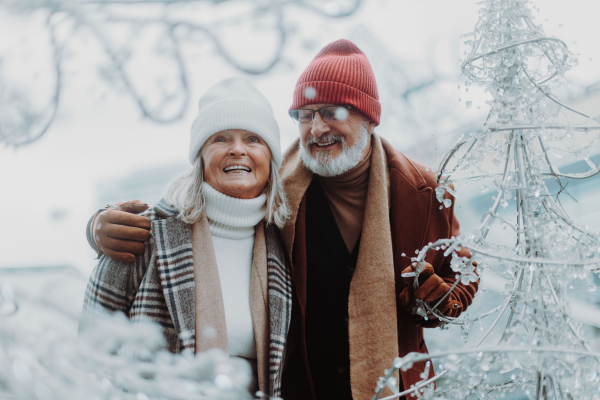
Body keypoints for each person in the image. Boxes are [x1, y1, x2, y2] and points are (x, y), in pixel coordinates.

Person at [86, 40, 479, 399]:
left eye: (331, 112)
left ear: (369, 118)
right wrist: (97, 227)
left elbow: (462, 271)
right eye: (305, 115)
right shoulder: (282, 191)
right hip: (302, 386)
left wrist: (442, 300)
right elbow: (199, 203)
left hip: (390, 386)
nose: (317, 128)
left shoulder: (424, 191)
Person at [82, 77, 292, 398]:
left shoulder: (285, 243)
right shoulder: (147, 232)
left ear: (271, 159)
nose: (237, 149)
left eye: (253, 139)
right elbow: (90, 344)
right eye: (220, 138)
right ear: (201, 157)